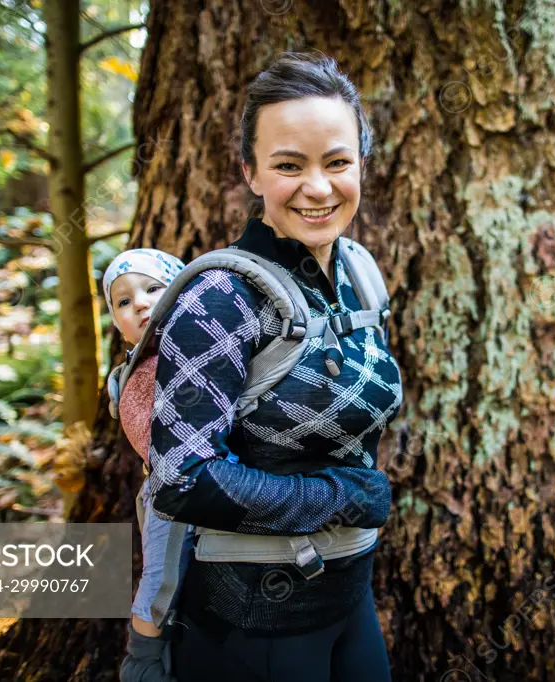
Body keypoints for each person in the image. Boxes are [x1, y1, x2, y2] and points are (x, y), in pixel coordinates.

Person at [145, 52, 404, 681]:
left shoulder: (358, 273)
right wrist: (337, 496)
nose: (318, 188)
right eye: (289, 165)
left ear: (361, 165)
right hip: (252, 615)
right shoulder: (221, 298)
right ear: (251, 173)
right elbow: (179, 481)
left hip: (350, 592)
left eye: (338, 162)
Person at [101, 248, 186, 682]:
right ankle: (144, 662)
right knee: (158, 580)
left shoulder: (197, 350)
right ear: (116, 322)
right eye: (123, 301)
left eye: (154, 288)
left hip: (215, 478)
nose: (141, 303)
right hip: (165, 492)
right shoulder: (125, 374)